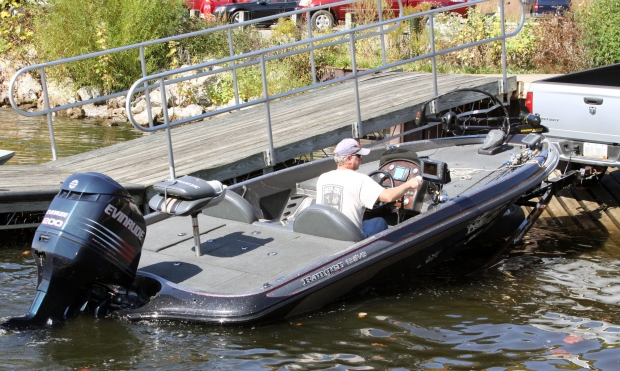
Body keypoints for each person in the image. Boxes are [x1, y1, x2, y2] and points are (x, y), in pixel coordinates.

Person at [316, 138, 422, 238]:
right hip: (350, 236)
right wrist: (408, 185)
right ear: (348, 158)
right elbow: (389, 197)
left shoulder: (323, 178)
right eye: (359, 156)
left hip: (327, 232)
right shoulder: (360, 180)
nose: (362, 159)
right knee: (379, 222)